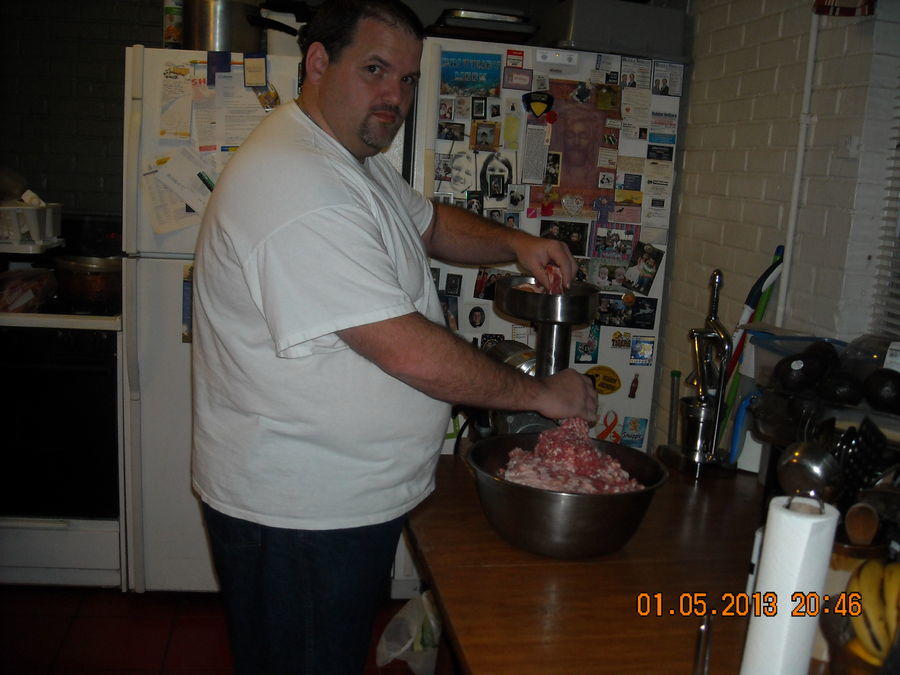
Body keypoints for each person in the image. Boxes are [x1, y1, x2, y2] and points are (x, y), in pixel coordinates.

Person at [191, 2, 597, 673]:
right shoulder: (295, 180)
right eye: (375, 69)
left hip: (339, 499)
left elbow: (429, 223)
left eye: (407, 79)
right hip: (300, 515)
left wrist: (517, 244)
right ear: (318, 62)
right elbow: (404, 349)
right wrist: (542, 394)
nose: (395, 97)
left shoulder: (349, 158)